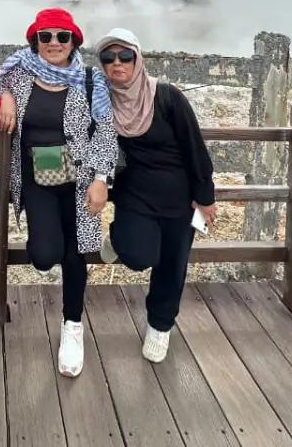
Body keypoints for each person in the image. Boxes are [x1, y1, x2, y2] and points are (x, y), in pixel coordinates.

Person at [0, 7, 117, 378]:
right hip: (37, 176)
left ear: (74, 42)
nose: (53, 43)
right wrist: (5, 96)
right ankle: (66, 304)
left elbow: (106, 131)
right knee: (45, 254)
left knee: (76, 252)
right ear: (34, 40)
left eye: (62, 37)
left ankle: (72, 326)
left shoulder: (91, 80)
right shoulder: (17, 74)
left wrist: (101, 178)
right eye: (45, 36)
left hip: (79, 178)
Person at [94, 28, 216, 364]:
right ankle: (116, 239)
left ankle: (160, 326)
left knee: (172, 264)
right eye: (108, 57)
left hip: (181, 197)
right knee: (138, 255)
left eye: (124, 56)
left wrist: (205, 197)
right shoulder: (100, 101)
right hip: (134, 194)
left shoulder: (166, 96)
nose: (116, 64)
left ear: (138, 58)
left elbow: (195, 148)